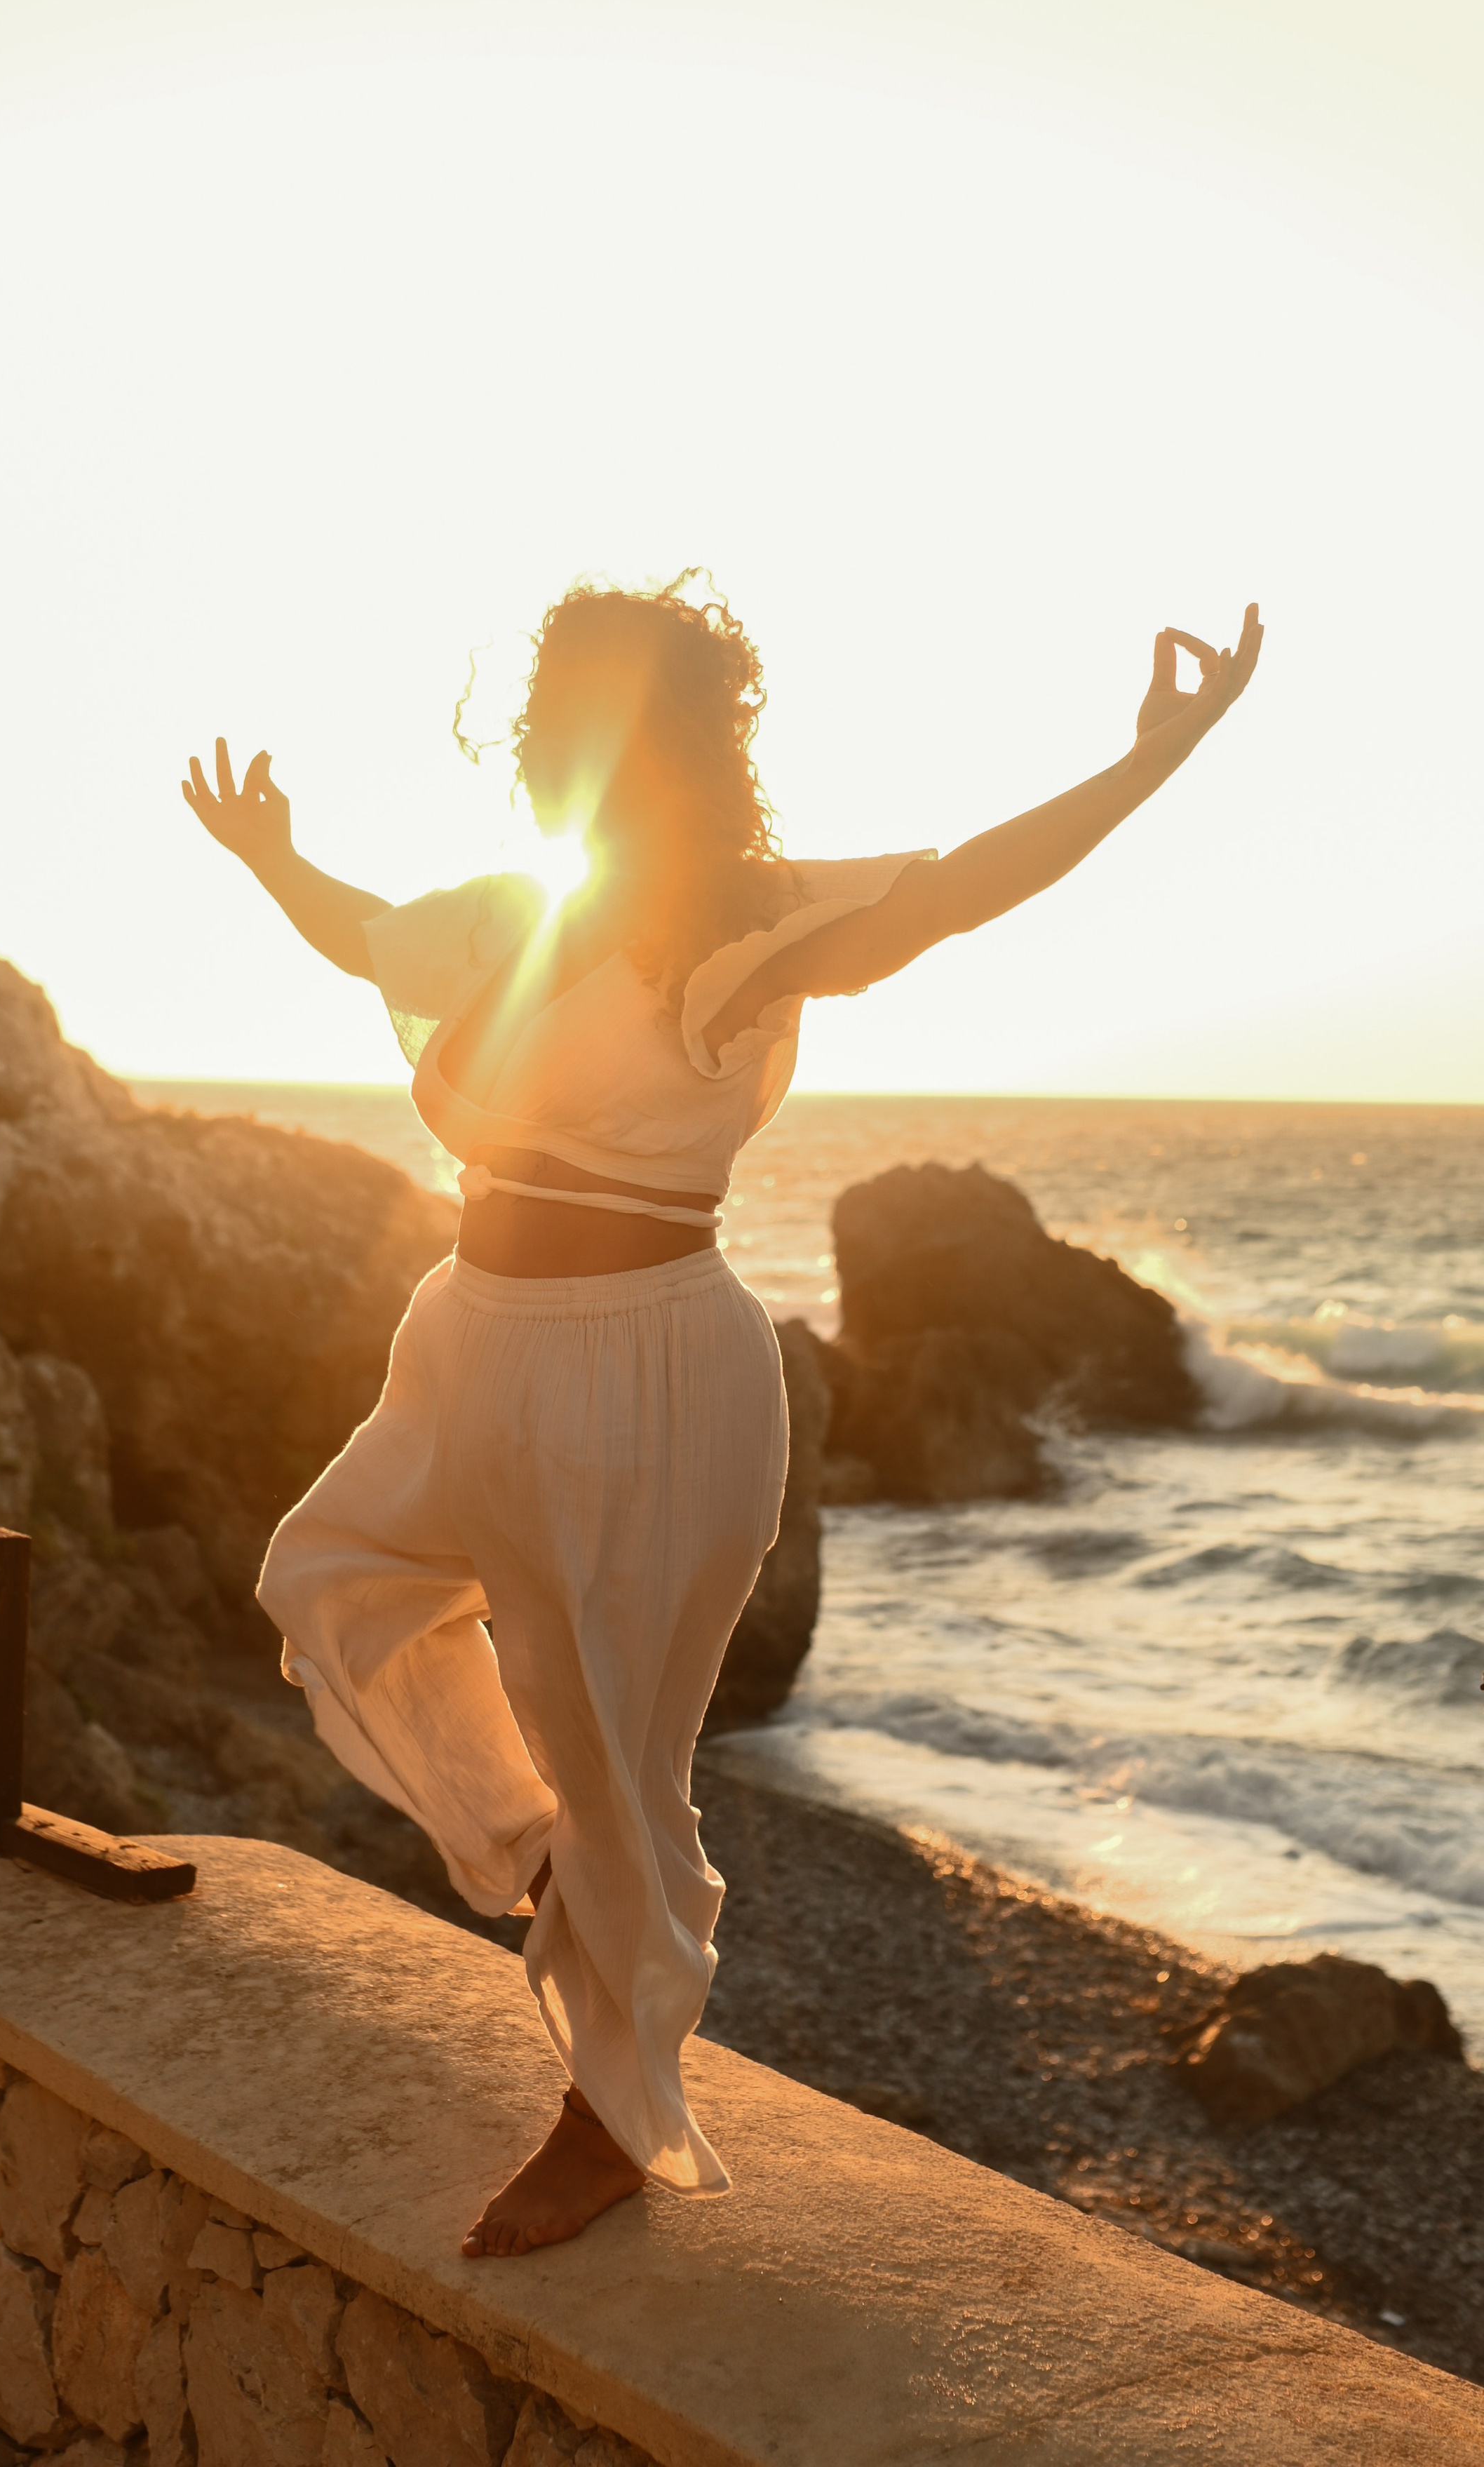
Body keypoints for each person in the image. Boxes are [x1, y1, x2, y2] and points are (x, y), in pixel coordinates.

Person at [182, 577, 1261, 2257]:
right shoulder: (503, 917)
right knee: (331, 1578)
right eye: (554, 721)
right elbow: (359, 927)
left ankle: (609, 2110)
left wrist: (1149, 759)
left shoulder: (754, 922)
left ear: (667, 742)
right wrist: (267, 859)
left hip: (651, 1373)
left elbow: (974, 885)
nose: (563, 748)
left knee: (622, 1754)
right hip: (470, 1337)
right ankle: (553, 1859)